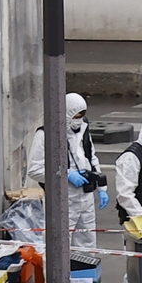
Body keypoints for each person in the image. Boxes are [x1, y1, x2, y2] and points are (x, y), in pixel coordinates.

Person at [27, 92, 108, 248]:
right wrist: (66, 175)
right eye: (75, 116)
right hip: (62, 199)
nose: (78, 120)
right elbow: (34, 170)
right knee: (59, 246)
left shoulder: (83, 129)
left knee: (87, 243)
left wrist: (101, 187)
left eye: (81, 116)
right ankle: (59, 274)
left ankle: (86, 272)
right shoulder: (46, 135)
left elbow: (91, 158)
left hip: (85, 197)